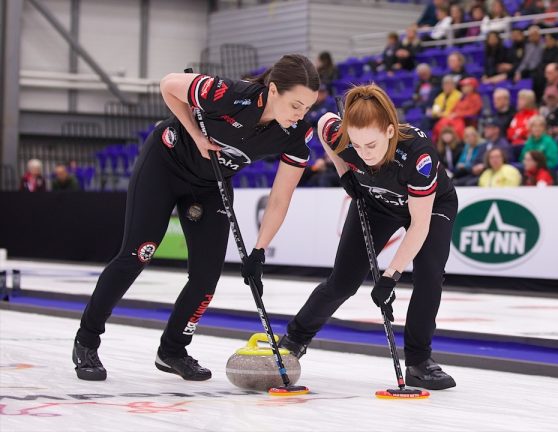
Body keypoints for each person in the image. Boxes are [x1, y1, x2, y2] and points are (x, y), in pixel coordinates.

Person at [73, 54, 320, 381]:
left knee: (206, 275)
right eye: (296, 105)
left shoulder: (297, 134)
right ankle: (87, 340)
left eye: (308, 107)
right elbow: (169, 85)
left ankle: (172, 350)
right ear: (273, 91)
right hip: (165, 165)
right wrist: (196, 133)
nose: (301, 115)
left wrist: (259, 250)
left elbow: (280, 197)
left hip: (211, 184)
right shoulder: (233, 94)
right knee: (137, 253)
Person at [282, 84, 459, 390]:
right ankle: (293, 341)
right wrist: (343, 172)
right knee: (342, 281)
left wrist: (390, 276)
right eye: (357, 146)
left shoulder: (418, 155)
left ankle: (419, 361)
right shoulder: (344, 137)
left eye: (372, 146)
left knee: (429, 275)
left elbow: (419, 225)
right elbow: (324, 124)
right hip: (376, 202)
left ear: (390, 131)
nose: (364, 155)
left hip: (429, 208)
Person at [507, 89, 538, 158]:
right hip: (514, 144)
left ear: (529, 101)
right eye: (519, 99)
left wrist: (518, 133)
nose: (518, 102)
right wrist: (518, 133)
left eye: (521, 100)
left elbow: (529, 131)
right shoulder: (517, 116)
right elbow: (510, 132)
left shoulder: (534, 115)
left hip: (527, 144)